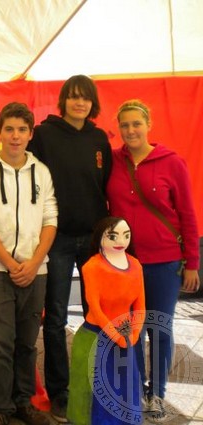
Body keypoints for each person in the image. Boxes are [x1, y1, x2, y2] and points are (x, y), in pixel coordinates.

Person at [106, 99, 200, 423]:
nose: (130, 130)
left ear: (149, 125)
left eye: (136, 123)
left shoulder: (172, 162)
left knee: (159, 329)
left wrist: (192, 262)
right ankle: (134, 389)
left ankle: (156, 393)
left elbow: (188, 215)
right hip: (123, 264)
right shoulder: (112, 161)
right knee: (130, 330)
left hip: (164, 263)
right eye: (125, 125)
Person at [28, 74, 112, 423]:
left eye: (86, 98)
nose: (80, 103)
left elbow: (108, 184)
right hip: (58, 239)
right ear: (63, 101)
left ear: (93, 104)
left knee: (99, 314)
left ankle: (97, 385)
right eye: (74, 97)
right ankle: (60, 392)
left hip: (94, 239)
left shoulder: (98, 138)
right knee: (57, 317)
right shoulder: (44, 135)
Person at [0, 102, 57, 425]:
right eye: (9, 129)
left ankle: (24, 402)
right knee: (0, 344)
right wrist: (11, 264)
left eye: (22, 130)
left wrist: (34, 263)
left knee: (26, 343)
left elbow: (51, 219)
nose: (15, 136)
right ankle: (1, 408)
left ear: (30, 134)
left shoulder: (42, 172)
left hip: (37, 270)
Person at [67, 217, 145, 425]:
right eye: (113, 235)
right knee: (93, 393)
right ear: (100, 238)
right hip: (95, 337)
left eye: (126, 235)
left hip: (125, 337)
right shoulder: (92, 267)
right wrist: (118, 336)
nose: (121, 240)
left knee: (125, 387)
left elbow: (140, 305)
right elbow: (95, 307)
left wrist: (133, 334)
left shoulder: (136, 265)